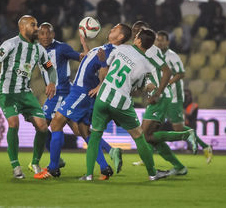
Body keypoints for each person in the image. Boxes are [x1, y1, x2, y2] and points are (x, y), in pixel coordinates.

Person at [34, 24, 129, 180]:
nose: (110, 29)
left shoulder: (113, 51)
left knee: (55, 123)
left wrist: (100, 85)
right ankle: (105, 165)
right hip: (79, 91)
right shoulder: (107, 47)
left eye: (115, 29)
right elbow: (90, 61)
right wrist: (85, 46)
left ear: (120, 37)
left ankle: (53, 168)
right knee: (82, 130)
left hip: (79, 91)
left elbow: (110, 71)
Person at [81, 28, 172, 181]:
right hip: (120, 103)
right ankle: (152, 173)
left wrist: (103, 62)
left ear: (138, 40)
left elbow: (104, 74)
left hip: (102, 97)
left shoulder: (121, 48)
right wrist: (149, 89)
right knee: (139, 136)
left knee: (95, 135)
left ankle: (89, 175)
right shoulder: (146, 66)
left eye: (136, 36)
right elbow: (136, 91)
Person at [0, 15, 56, 179]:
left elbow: (50, 68)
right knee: (13, 123)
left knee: (43, 126)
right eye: (33, 25)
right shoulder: (10, 44)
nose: (36, 28)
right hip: (7, 92)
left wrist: (52, 83)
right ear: (22, 27)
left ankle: (35, 163)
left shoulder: (39, 49)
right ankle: (16, 166)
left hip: (25, 93)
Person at [132, 24, 197, 176]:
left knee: (144, 135)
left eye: (138, 31)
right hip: (156, 94)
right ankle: (179, 167)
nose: (135, 34)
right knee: (152, 139)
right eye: (134, 31)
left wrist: (158, 93)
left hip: (160, 96)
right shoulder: (143, 51)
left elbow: (167, 71)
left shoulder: (151, 50)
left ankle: (185, 135)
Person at [27, 22, 89, 173]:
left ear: (53, 34)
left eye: (48, 33)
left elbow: (81, 58)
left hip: (61, 93)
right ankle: (56, 160)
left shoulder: (61, 48)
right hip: (54, 95)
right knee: (76, 129)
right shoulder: (37, 50)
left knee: (45, 125)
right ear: (38, 36)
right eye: (42, 34)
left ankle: (52, 163)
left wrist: (84, 49)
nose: (45, 36)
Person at [155, 31, 212, 165]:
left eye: (162, 40)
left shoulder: (172, 56)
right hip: (162, 96)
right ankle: (146, 156)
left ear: (167, 42)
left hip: (174, 96)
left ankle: (205, 146)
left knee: (178, 128)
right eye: (158, 40)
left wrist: (166, 84)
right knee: (151, 126)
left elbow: (181, 74)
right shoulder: (155, 55)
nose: (159, 42)